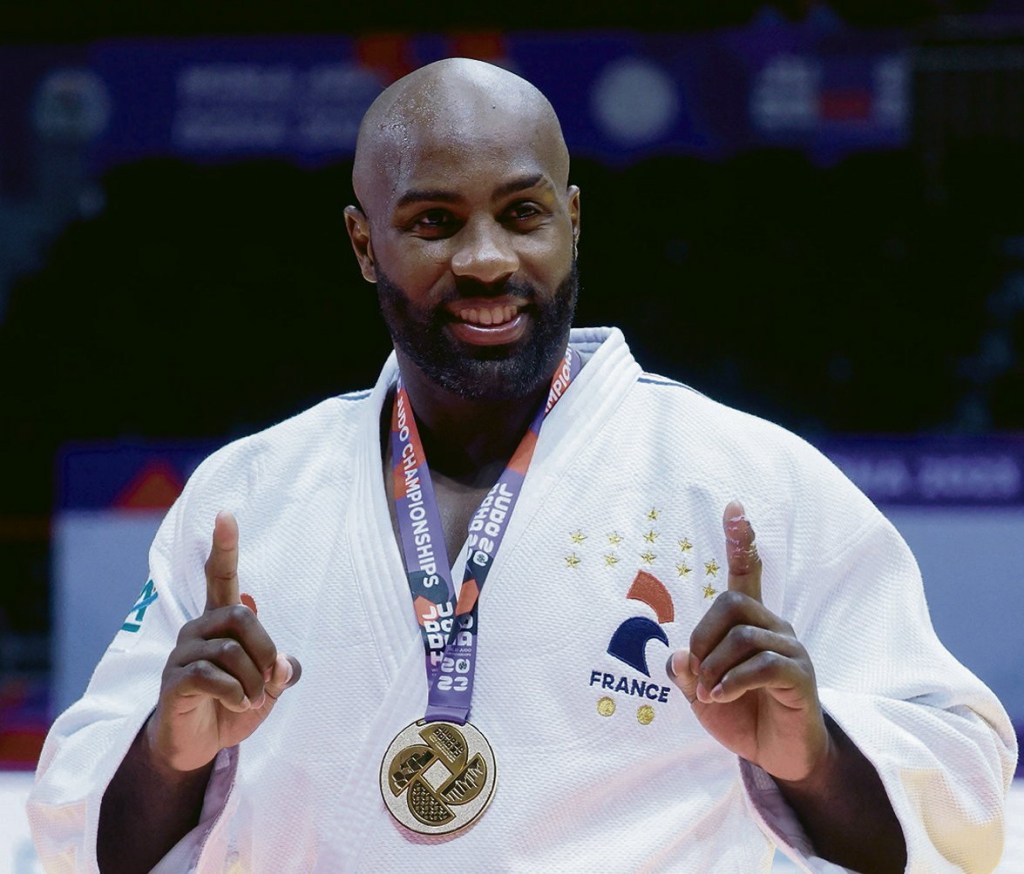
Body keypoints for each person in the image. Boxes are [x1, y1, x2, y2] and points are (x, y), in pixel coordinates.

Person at [28, 57, 1016, 873]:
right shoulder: (247, 497)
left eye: (522, 212)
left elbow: (964, 785)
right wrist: (170, 754)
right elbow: (77, 827)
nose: (488, 259)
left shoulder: (745, 482)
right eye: (434, 222)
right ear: (363, 244)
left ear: (573, 219)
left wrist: (815, 760)